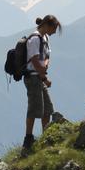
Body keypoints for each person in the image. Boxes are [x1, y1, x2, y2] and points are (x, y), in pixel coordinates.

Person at [22, 14, 61, 153]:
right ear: (47, 25)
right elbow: (33, 59)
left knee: (47, 109)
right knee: (34, 107)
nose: (55, 32)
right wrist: (43, 73)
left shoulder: (45, 37)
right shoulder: (34, 38)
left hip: (39, 77)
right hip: (33, 78)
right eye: (54, 28)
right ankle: (28, 138)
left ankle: (45, 137)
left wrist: (44, 70)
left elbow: (46, 56)